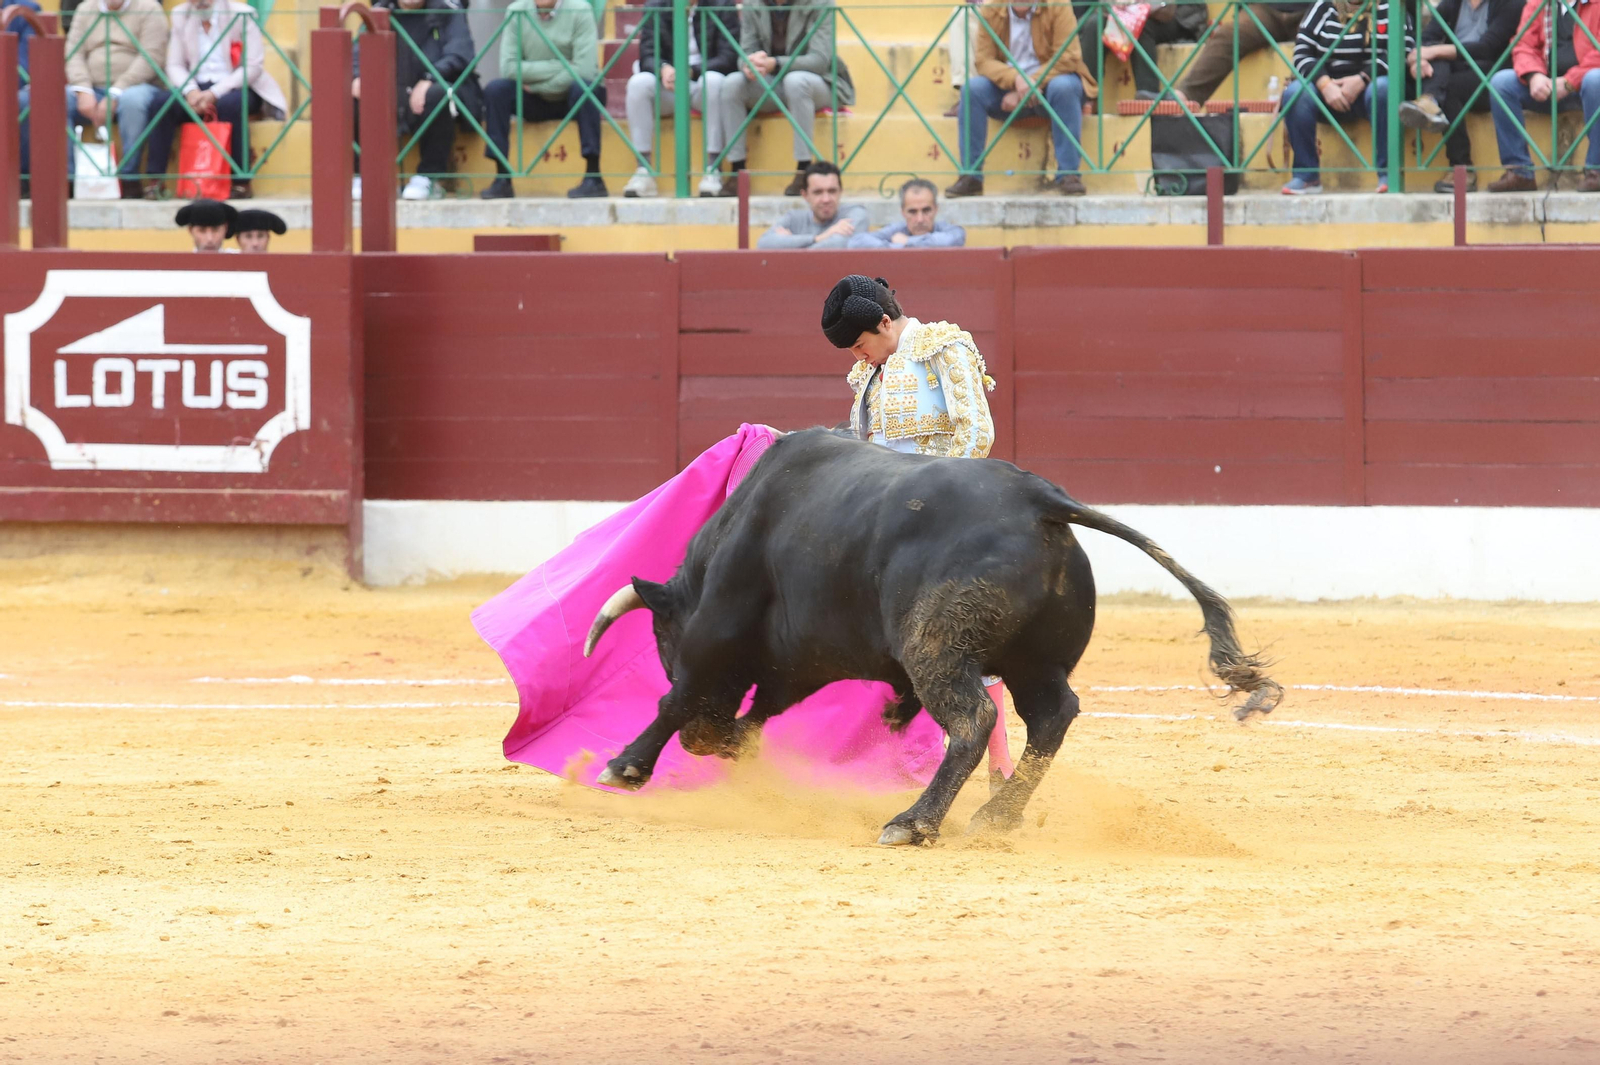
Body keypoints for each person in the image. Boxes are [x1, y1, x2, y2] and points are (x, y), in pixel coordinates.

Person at [820, 274, 1013, 787]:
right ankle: (896, 761)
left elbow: (977, 433)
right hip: (888, 525)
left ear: (885, 322)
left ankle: (999, 764)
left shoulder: (943, 347)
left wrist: (931, 503)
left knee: (964, 639)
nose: (858, 357)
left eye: (860, 345)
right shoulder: (867, 375)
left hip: (948, 516)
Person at [945, 0, 1098, 198]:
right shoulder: (992, 9)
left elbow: (1068, 56)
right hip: (1007, 87)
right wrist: (1016, 80)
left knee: (1064, 87)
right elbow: (984, 61)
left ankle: (1068, 174)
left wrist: (1031, 84)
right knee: (972, 90)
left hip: (1050, 84)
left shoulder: (1058, 4)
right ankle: (971, 176)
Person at [147, 0, 289, 201]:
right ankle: (155, 181)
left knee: (230, 105)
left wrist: (215, 92)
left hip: (237, 84)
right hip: (196, 86)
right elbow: (174, 65)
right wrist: (191, 91)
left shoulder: (242, 14)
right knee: (162, 103)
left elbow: (253, 67)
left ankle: (241, 181)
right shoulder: (181, 14)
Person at [718, 0, 855, 197]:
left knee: (795, 81)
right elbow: (745, 51)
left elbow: (819, 60)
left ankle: (804, 169)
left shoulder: (820, 3)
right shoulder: (753, 4)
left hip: (818, 82)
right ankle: (737, 171)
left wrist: (775, 63)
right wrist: (749, 64)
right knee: (732, 83)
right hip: (772, 82)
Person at [353, 0, 483, 202]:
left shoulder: (447, 10)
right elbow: (356, 54)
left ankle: (429, 177)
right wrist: (357, 76)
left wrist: (430, 78)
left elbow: (460, 54)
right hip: (391, 96)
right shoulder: (380, 12)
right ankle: (363, 175)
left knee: (438, 94)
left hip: (431, 94)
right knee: (352, 95)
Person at [1279, 0, 1411, 194]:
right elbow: (1301, 54)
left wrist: (1362, 78)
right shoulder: (1323, 6)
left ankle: (1388, 174)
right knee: (1295, 93)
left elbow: (1403, 49)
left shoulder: (1390, 6)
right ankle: (1307, 175)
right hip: (1328, 90)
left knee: (1384, 89)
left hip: (1371, 88)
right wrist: (1325, 84)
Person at [480, 0, 608, 200]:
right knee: (496, 90)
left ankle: (594, 177)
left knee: (586, 88)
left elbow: (584, 70)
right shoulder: (516, 11)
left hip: (570, 98)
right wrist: (563, 65)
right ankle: (502, 178)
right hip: (534, 100)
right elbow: (509, 68)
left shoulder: (581, 9)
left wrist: (539, 85)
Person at [1397, 0, 1520, 192]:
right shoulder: (1452, 4)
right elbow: (1426, 39)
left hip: (1491, 76)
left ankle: (1462, 168)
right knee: (1438, 72)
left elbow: (1487, 48)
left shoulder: (1510, 4)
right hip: (1453, 72)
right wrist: (1418, 62)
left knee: (1448, 86)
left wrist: (1433, 52)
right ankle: (1430, 100)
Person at [621, 0, 739, 198]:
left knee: (714, 81)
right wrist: (663, 69)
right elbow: (646, 55)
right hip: (670, 87)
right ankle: (643, 170)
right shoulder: (656, 6)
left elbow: (729, 56)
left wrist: (691, 71)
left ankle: (713, 168)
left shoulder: (722, 3)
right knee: (638, 84)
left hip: (702, 84)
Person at [1486, 0, 1600, 192]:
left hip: (1586, 87)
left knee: (1596, 80)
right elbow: (1523, 44)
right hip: (1547, 85)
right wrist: (1533, 75)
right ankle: (1520, 172)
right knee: (1501, 83)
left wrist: (1570, 81)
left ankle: (1596, 170)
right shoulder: (1539, 3)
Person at [62, 0, 170, 199]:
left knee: (132, 102)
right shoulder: (85, 9)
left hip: (136, 85)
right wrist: (82, 88)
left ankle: (129, 178)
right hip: (91, 87)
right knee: (56, 101)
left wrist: (117, 91)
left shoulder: (149, 8)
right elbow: (73, 53)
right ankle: (66, 180)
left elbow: (152, 57)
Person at [1173, 1, 1311, 105]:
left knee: (1316, 42)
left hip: (1313, 9)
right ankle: (1184, 98)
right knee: (1229, 34)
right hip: (1266, 8)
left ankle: (1300, 100)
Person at [1073, 0, 1209, 101]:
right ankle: (1087, 97)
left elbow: (1167, 10)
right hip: (1129, 13)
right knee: (1094, 25)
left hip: (1180, 15)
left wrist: (1135, 6)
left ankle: (1149, 97)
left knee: (1141, 27)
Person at [754, 160, 867, 248]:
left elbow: (838, 245)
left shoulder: (854, 214)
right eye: (818, 192)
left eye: (832, 191)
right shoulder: (793, 219)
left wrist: (791, 246)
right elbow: (764, 244)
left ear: (840, 192)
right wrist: (818, 238)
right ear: (805, 195)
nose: (826, 199)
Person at [847, 178, 966, 248]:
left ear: (936, 209)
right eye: (912, 212)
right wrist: (899, 247)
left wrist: (908, 242)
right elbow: (856, 242)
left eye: (926, 210)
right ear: (902, 212)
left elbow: (956, 238)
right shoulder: (896, 230)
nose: (920, 219)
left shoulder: (948, 230)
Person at [8, 0, 40, 197]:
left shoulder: (26, 11)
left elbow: (24, 64)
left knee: (24, 102)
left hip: (13, 87)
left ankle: (23, 180)